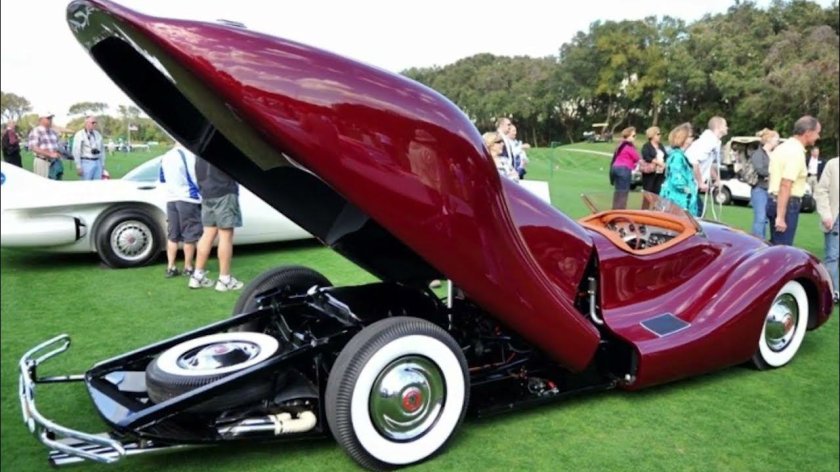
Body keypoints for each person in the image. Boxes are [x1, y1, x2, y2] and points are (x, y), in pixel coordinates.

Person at [188, 158, 244, 291]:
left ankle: (197, 277)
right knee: (225, 236)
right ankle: (224, 279)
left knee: (207, 234)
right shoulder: (222, 149)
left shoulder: (200, 152)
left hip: (207, 193)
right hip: (224, 191)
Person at [767, 115, 821, 246]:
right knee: (782, 249)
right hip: (787, 204)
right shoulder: (796, 152)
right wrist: (781, 217)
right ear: (808, 133)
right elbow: (786, 184)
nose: (818, 136)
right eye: (817, 133)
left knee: (774, 247)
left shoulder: (781, 147)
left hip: (773, 201)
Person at [159, 145, 202, 278]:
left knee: (173, 235)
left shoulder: (166, 156)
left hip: (171, 198)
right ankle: (188, 267)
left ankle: (171, 267)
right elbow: (195, 177)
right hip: (187, 197)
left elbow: (162, 178)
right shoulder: (188, 155)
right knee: (190, 234)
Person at [686, 116, 728, 216]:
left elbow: (709, 165)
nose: (727, 128)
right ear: (718, 127)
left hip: (692, 184)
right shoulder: (708, 141)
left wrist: (717, 179)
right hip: (687, 182)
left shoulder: (714, 142)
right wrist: (701, 182)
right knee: (697, 212)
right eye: (725, 125)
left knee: (698, 211)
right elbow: (694, 161)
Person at [659, 123, 699, 216]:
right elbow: (677, 180)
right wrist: (689, 190)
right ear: (682, 138)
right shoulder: (677, 157)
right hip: (678, 202)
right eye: (690, 136)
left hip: (678, 201)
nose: (692, 139)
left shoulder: (679, 156)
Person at [813, 156, 838, 302]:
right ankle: (833, 292)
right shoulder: (833, 165)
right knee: (832, 256)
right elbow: (821, 191)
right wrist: (826, 215)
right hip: (836, 217)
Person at [748, 128, 780, 239]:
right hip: (760, 189)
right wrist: (773, 173)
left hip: (772, 190)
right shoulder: (758, 153)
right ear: (769, 139)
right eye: (776, 139)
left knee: (769, 218)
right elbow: (760, 170)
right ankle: (757, 241)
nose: (778, 141)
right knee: (760, 218)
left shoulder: (775, 154)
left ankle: (768, 242)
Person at [608, 127, 640, 209]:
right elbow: (637, 158)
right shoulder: (628, 146)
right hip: (623, 170)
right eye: (633, 136)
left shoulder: (621, 145)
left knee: (618, 192)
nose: (635, 138)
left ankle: (615, 210)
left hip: (616, 168)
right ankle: (620, 211)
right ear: (628, 136)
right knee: (623, 193)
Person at [27, 112, 61, 178]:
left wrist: (58, 153)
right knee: (43, 183)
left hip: (55, 162)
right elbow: (33, 147)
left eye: (51, 118)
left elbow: (57, 146)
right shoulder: (36, 131)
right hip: (42, 162)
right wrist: (50, 154)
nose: (50, 120)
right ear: (41, 119)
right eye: (48, 118)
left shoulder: (53, 132)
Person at [640, 126, 667, 195]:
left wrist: (664, 164)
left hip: (660, 173)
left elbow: (666, 156)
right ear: (652, 135)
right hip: (650, 173)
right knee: (648, 193)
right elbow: (646, 156)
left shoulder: (660, 145)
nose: (660, 136)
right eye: (658, 134)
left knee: (658, 192)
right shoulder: (646, 146)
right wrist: (657, 162)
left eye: (660, 134)